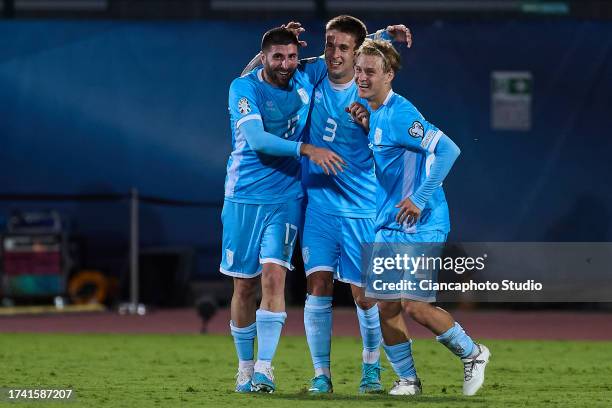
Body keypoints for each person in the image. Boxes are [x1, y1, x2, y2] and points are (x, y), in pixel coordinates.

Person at [350, 39, 490, 396]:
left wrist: (419, 197)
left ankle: (473, 354)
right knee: (385, 304)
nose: (362, 77)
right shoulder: (377, 112)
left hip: (419, 222)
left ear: (389, 74)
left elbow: (448, 149)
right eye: (359, 70)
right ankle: (408, 380)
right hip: (388, 222)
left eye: (370, 71)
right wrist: (368, 127)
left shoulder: (400, 113)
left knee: (415, 306)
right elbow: (397, 159)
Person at [221, 27, 344, 394]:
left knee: (274, 278)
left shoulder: (305, 74)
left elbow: (345, 51)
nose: (287, 64)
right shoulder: (243, 88)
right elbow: (257, 141)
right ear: (264, 57)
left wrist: (385, 35)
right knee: (244, 286)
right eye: (278, 57)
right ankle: (244, 367)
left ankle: (264, 369)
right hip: (243, 197)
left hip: (287, 197)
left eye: (292, 56)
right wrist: (306, 150)